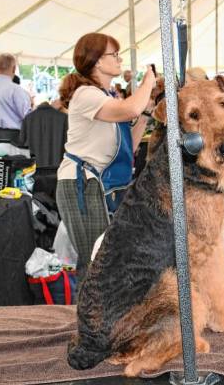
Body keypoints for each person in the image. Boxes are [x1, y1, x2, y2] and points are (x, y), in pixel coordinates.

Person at [56, 32, 155, 280]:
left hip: (98, 185)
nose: (120, 60)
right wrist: (148, 82)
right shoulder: (86, 94)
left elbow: (128, 147)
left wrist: (145, 114)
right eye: (115, 54)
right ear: (98, 61)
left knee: (108, 259)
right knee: (94, 262)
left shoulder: (105, 97)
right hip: (81, 185)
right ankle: (88, 315)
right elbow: (131, 107)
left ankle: (105, 315)